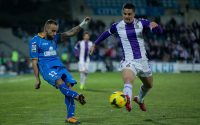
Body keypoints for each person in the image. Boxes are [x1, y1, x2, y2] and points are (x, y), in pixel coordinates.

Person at [90, 3, 163, 112]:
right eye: (125, 14)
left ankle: (139, 99)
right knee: (128, 80)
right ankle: (126, 100)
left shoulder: (141, 23)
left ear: (134, 14)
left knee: (149, 85)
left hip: (143, 61)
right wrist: (95, 44)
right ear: (122, 13)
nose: (127, 16)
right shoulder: (118, 26)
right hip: (129, 61)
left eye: (129, 14)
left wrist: (157, 27)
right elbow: (106, 33)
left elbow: (158, 30)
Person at [29, 17, 90, 124]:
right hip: (46, 68)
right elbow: (34, 62)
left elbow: (71, 32)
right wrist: (37, 79)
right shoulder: (35, 41)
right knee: (60, 83)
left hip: (59, 66)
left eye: (56, 30)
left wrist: (83, 23)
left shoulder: (55, 37)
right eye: (52, 30)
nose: (55, 33)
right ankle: (77, 96)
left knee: (69, 86)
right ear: (46, 29)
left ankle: (70, 117)